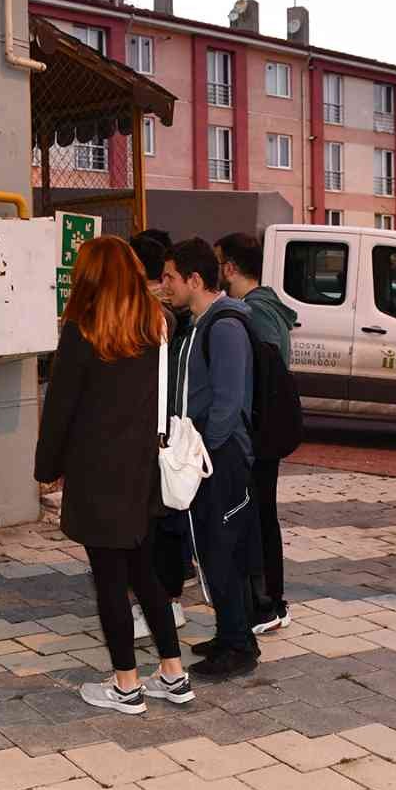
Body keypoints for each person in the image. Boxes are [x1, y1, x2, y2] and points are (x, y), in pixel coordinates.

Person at [35, 236, 193, 714]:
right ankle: (173, 673)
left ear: (89, 279)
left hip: (96, 474)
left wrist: (47, 468)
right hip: (142, 470)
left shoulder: (82, 333)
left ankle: (126, 684)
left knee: (109, 578)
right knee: (143, 573)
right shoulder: (158, 327)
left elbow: (60, 410)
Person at [162, 238, 260, 679]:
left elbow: (227, 402)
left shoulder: (224, 327)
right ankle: (230, 634)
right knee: (212, 550)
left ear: (194, 279)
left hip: (218, 460)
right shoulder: (198, 324)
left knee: (221, 552)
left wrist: (204, 452)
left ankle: (239, 647)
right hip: (204, 458)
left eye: (169, 278)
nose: (164, 286)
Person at [215, 231, 298, 635]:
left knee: (261, 518)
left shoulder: (255, 312)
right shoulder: (266, 305)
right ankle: (270, 600)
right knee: (263, 515)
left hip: (260, 433)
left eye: (218, 263)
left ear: (230, 267)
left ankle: (269, 603)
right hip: (266, 430)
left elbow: (260, 378)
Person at [127, 230, 190, 640]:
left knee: (157, 522)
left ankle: (164, 602)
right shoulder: (161, 311)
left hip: (156, 430)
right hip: (159, 426)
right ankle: (165, 598)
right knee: (160, 519)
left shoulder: (153, 316)